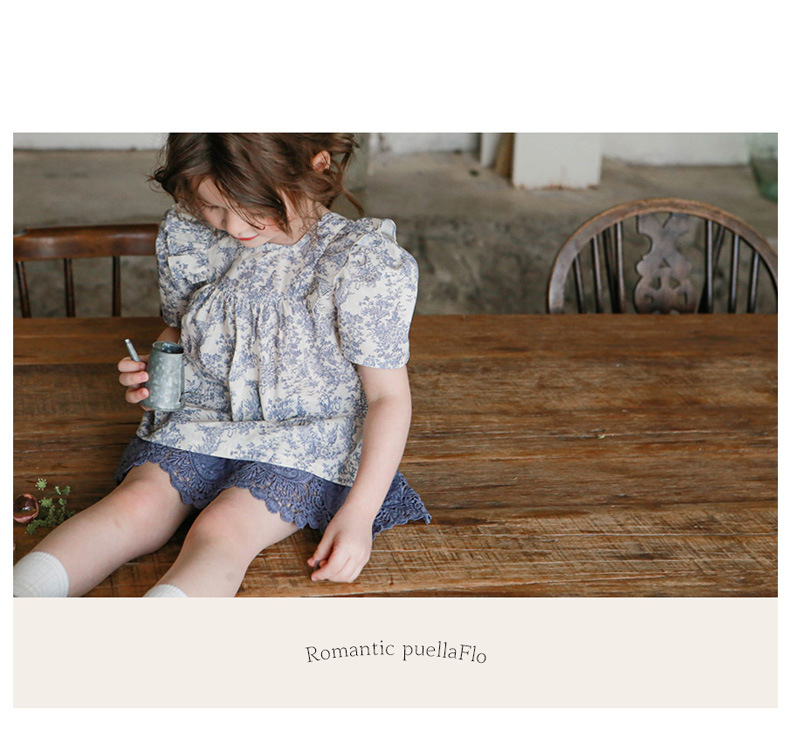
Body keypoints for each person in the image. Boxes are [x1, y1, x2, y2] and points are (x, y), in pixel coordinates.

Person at [13, 133, 430, 598]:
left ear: (316, 166)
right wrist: (159, 369)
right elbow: (181, 329)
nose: (231, 225)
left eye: (250, 207)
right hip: (206, 418)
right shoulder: (196, 235)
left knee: (223, 526)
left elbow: (387, 397)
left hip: (305, 436)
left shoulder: (357, 260)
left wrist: (359, 514)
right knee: (134, 504)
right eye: (213, 206)